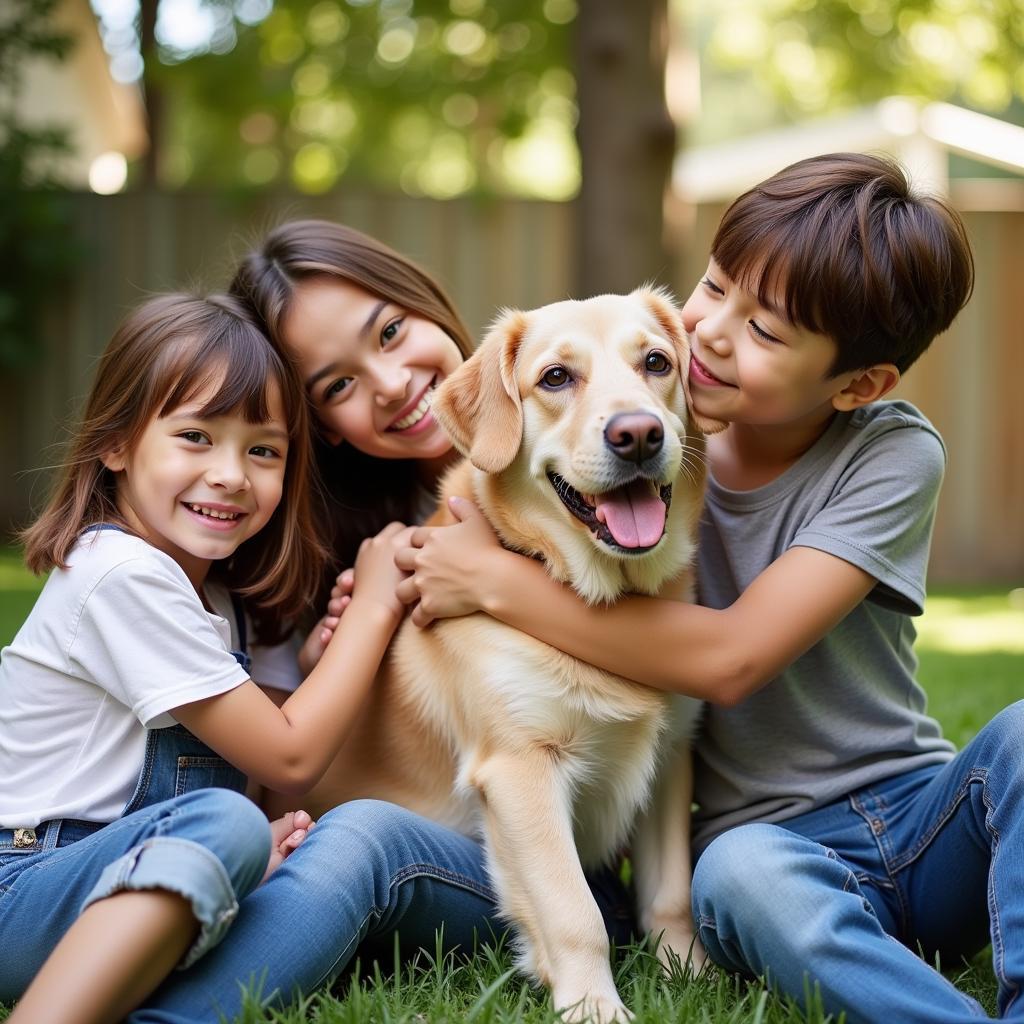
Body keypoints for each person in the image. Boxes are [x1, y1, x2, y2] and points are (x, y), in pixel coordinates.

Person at [391, 153, 1019, 1023]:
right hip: (770, 854)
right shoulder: (640, 444)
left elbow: (728, 660)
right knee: (741, 875)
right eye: (715, 286)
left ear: (860, 385)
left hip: (918, 811)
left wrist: (494, 582)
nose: (713, 335)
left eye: (766, 332)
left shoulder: (894, 452)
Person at [0, 293, 499, 1024]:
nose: (232, 474)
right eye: (195, 436)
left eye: (262, 449)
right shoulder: (117, 573)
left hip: (123, 882)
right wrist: (372, 607)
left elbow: (273, 790)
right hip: (28, 884)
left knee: (254, 833)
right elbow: (288, 760)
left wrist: (321, 655)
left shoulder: (218, 600)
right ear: (116, 444)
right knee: (225, 825)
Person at [229, 219, 638, 937]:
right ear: (320, 423)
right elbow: (276, 766)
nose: (390, 384)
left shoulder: (569, 416)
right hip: (434, 824)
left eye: (388, 332)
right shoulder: (322, 543)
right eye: (340, 384)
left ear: (421, 298)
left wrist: (487, 580)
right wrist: (333, 651)